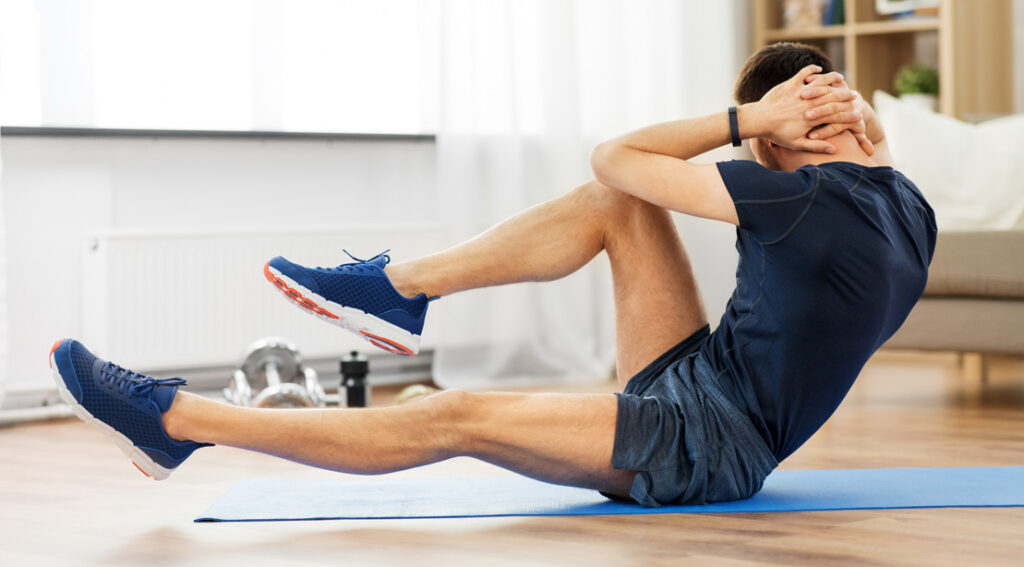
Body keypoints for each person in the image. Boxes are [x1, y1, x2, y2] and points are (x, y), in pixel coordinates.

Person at [51, 43, 935, 507]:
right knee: (615, 205)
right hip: (700, 381)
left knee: (450, 413)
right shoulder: (908, 205)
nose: (836, 104)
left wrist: (747, 116)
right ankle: (401, 292)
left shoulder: (801, 201)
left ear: (778, 155)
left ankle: (178, 421)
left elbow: (617, 151)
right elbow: (621, 180)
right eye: (824, 93)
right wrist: (792, 117)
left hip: (709, 444)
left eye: (826, 99)